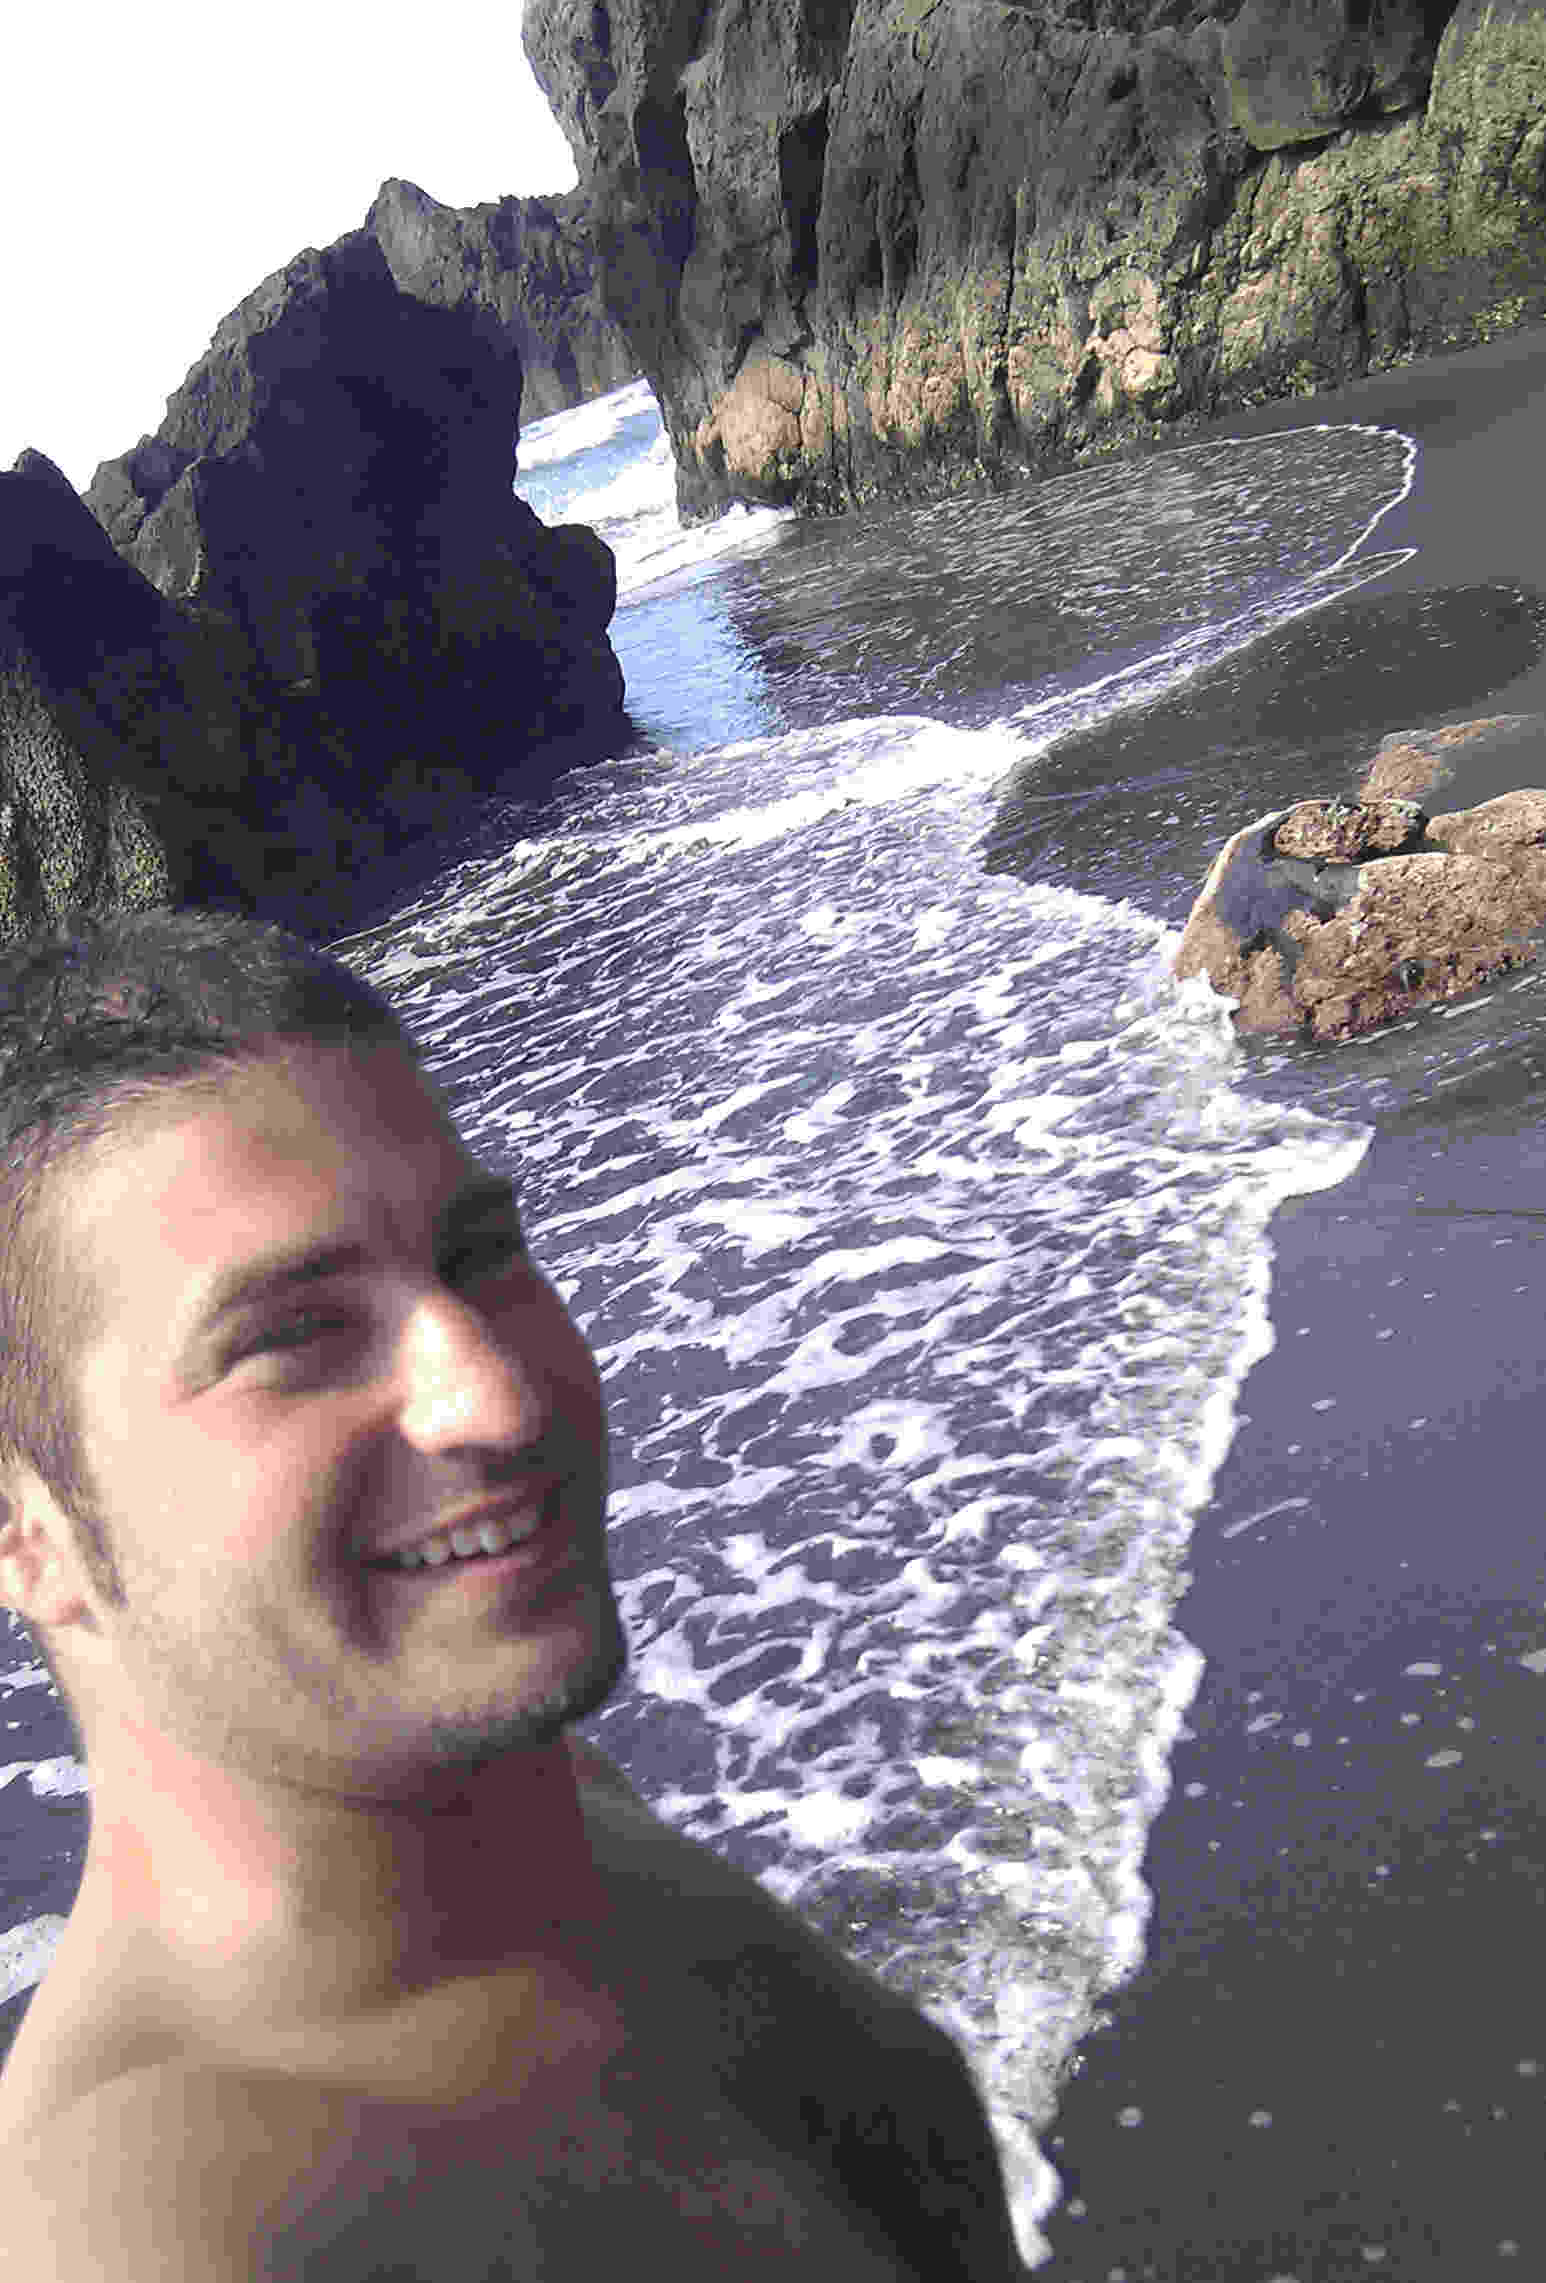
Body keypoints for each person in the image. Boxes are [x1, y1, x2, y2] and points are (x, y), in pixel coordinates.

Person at [0, 911, 1026, 2280]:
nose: (492, 1393)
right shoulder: (166, 2231)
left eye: (477, 1251)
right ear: (21, 1528)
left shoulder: (545, 1815)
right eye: (294, 1332)